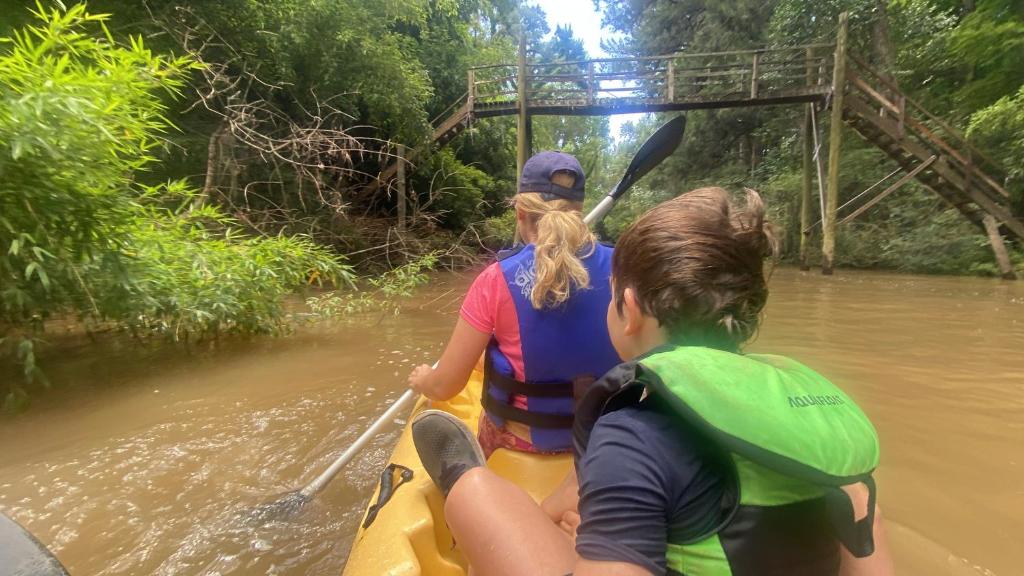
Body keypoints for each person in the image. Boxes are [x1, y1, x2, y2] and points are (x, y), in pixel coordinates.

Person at [411, 187, 895, 575]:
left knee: (476, 493)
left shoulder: (630, 434)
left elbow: (449, 383)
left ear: (630, 310)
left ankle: (463, 478)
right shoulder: (820, 425)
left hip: (551, 452)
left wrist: (578, 548)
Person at [407, 151, 620, 457]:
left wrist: (424, 379)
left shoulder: (495, 280)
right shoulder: (624, 267)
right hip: (607, 440)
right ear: (579, 210)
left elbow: (445, 388)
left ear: (520, 212)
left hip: (522, 441)